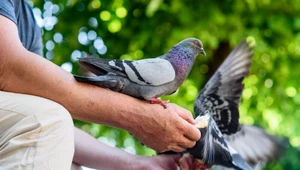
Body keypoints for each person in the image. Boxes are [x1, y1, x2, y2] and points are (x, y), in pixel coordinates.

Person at [0, 0, 200, 169]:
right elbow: (8, 69)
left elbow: (50, 119)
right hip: (122, 76)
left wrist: (137, 164)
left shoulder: (27, 20)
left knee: (64, 151)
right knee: (45, 120)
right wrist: (137, 115)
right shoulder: (165, 68)